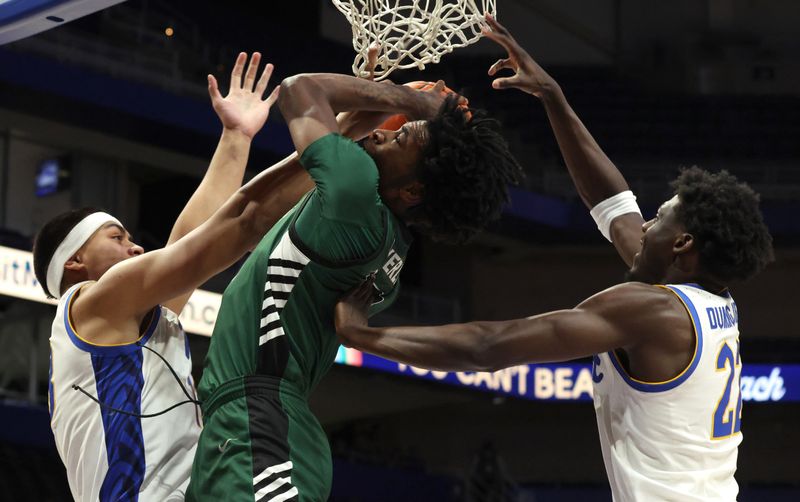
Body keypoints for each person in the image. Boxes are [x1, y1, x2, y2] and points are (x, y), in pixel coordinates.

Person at [333, 14, 774, 502]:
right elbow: (615, 208)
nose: (644, 225)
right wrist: (552, 97)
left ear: (683, 246)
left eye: (660, 218)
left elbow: (489, 346)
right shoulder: (704, 298)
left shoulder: (650, 311)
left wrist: (363, 335)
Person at [186, 62, 524, 500]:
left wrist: (407, 98)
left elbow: (298, 88)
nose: (383, 134)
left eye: (401, 137)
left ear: (413, 192)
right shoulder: (384, 246)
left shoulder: (357, 196)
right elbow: (258, 208)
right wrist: (364, 102)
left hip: (260, 421)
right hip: (264, 422)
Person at [34, 53, 315, 501]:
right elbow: (234, 227)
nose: (136, 247)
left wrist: (237, 138)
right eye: (116, 236)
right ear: (75, 262)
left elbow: (190, 237)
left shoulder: (117, 329)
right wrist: (336, 143)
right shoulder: (92, 303)